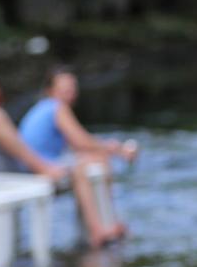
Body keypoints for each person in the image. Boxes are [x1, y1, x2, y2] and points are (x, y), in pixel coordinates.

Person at [18, 68, 138, 246]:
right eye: (65, 89)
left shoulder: (45, 108)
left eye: (73, 88)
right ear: (51, 91)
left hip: (35, 164)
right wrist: (117, 149)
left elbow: (78, 144)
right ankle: (98, 229)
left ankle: (108, 222)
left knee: (97, 159)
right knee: (84, 168)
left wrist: (107, 149)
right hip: (37, 168)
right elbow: (81, 140)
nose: (71, 93)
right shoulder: (57, 107)